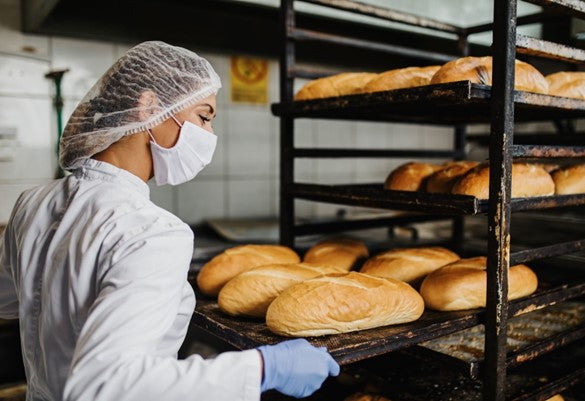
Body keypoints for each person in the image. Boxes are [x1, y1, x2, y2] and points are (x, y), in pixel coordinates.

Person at [0, 41, 339, 401]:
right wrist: (262, 368)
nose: (208, 136)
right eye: (204, 117)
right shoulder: (151, 232)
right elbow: (103, 386)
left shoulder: (32, 203)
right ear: (150, 106)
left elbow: (9, 300)